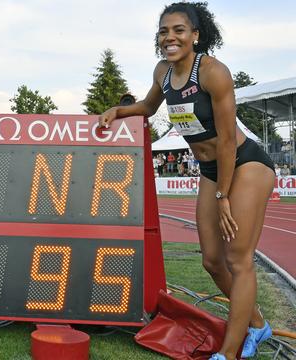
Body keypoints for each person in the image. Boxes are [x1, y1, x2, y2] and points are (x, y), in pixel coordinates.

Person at [98, 3, 275, 359]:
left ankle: (228, 352)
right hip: (212, 170)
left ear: (195, 35)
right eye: (164, 31)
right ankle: (257, 323)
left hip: (245, 163)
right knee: (211, 261)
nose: (170, 37)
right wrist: (119, 111)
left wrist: (224, 196)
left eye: (179, 30)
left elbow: (227, 141)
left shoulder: (213, 73)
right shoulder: (163, 72)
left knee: (238, 259)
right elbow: (149, 107)